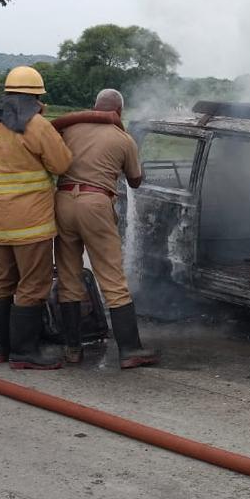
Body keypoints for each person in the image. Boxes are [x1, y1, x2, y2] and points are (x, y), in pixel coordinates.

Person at [0, 65, 72, 370]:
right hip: (33, 224)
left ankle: (2, 348)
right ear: (37, 98)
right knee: (33, 284)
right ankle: (25, 352)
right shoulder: (37, 126)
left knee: (4, 281)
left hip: (0, 222)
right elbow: (62, 163)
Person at [54, 88, 158, 369]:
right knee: (111, 277)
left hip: (62, 201)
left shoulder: (68, 129)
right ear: (119, 112)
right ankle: (130, 350)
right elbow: (135, 181)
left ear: (93, 107)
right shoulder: (122, 138)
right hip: (96, 204)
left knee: (68, 276)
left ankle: (73, 349)